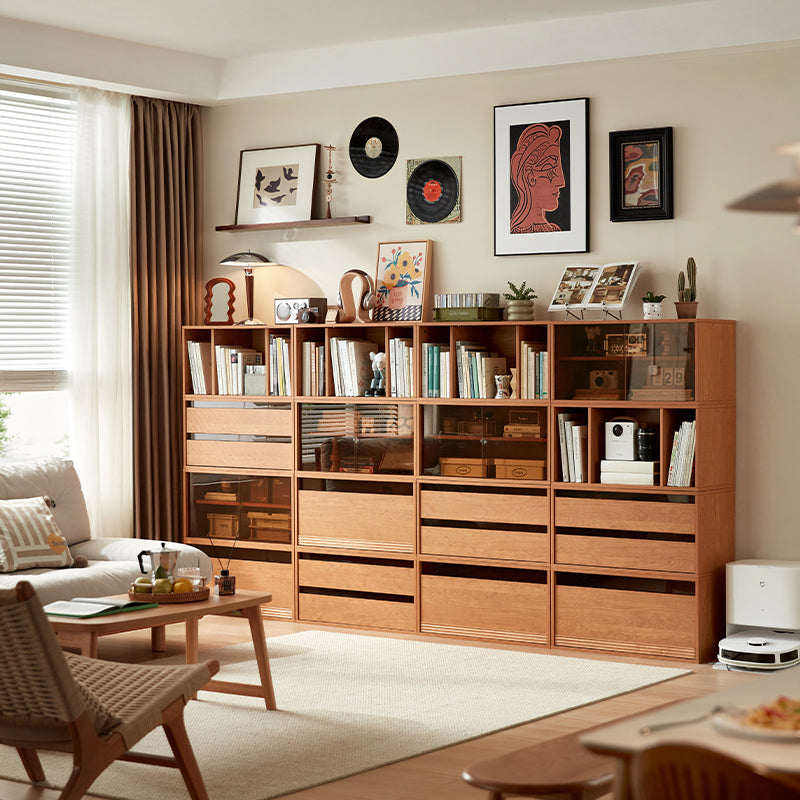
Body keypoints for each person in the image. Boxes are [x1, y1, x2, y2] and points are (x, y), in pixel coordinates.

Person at [509, 123, 565, 233]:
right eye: (550, 169)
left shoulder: (554, 230)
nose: (561, 182)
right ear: (531, 177)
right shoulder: (517, 232)